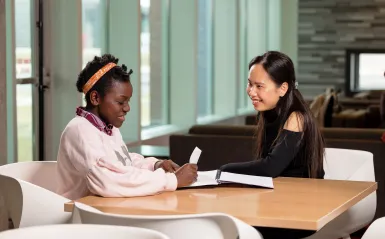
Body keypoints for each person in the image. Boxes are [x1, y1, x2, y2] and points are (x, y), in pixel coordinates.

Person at [56, 54, 197, 200]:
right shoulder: (80, 130)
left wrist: (155, 165)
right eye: (120, 102)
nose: (127, 108)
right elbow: (108, 182)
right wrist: (172, 180)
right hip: (81, 215)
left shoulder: (109, 127)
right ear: (96, 98)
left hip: (106, 210)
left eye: (128, 101)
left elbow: (123, 163)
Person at [219, 51, 325, 239]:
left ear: (283, 89)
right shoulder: (268, 112)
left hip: (299, 210)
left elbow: (270, 166)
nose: (251, 92)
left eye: (259, 86)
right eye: (250, 84)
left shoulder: (296, 118)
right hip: (276, 199)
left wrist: (223, 170)